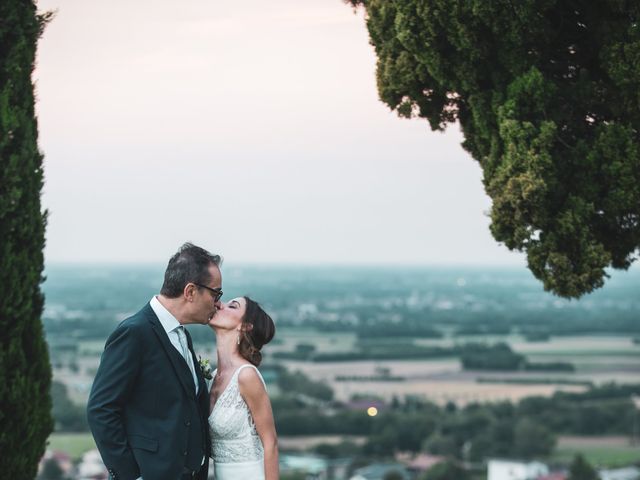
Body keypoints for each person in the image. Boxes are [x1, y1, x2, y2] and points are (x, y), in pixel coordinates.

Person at [87, 243, 222, 480]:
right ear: (190, 292)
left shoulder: (182, 335)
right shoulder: (134, 333)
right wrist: (131, 475)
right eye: (215, 293)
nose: (218, 303)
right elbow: (101, 410)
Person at [207, 296, 278, 480]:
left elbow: (270, 443)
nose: (219, 305)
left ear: (245, 326)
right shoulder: (213, 377)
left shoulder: (247, 376)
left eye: (232, 306)